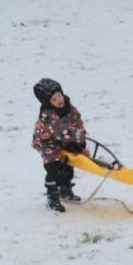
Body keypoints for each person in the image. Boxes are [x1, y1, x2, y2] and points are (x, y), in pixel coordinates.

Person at [32, 78, 87, 213]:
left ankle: (65, 189)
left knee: (68, 164)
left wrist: (81, 139)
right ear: (48, 102)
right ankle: (52, 196)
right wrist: (78, 138)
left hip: (64, 139)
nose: (58, 100)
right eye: (54, 99)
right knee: (54, 166)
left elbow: (77, 121)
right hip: (47, 141)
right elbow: (61, 131)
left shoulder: (69, 107)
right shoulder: (48, 115)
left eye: (59, 95)